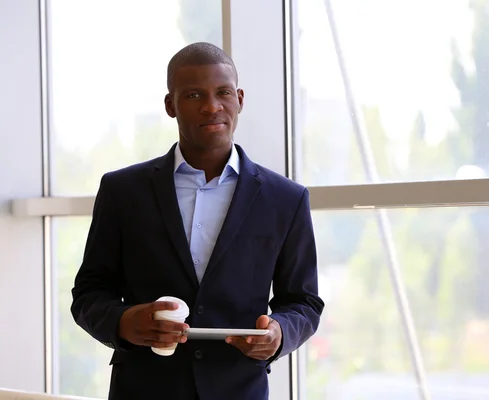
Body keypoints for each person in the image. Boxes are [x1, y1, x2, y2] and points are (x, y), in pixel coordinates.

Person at [71, 42, 324, 400]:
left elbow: (304, 302)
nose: (211, 106)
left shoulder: (286, 199)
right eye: (193, 95)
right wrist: (125, 323)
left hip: (239, 390)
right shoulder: (122, 191)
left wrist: (280, 332)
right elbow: (89, 294)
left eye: (223, 93)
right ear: (170, 105)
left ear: (239, 98)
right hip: (143, 390)